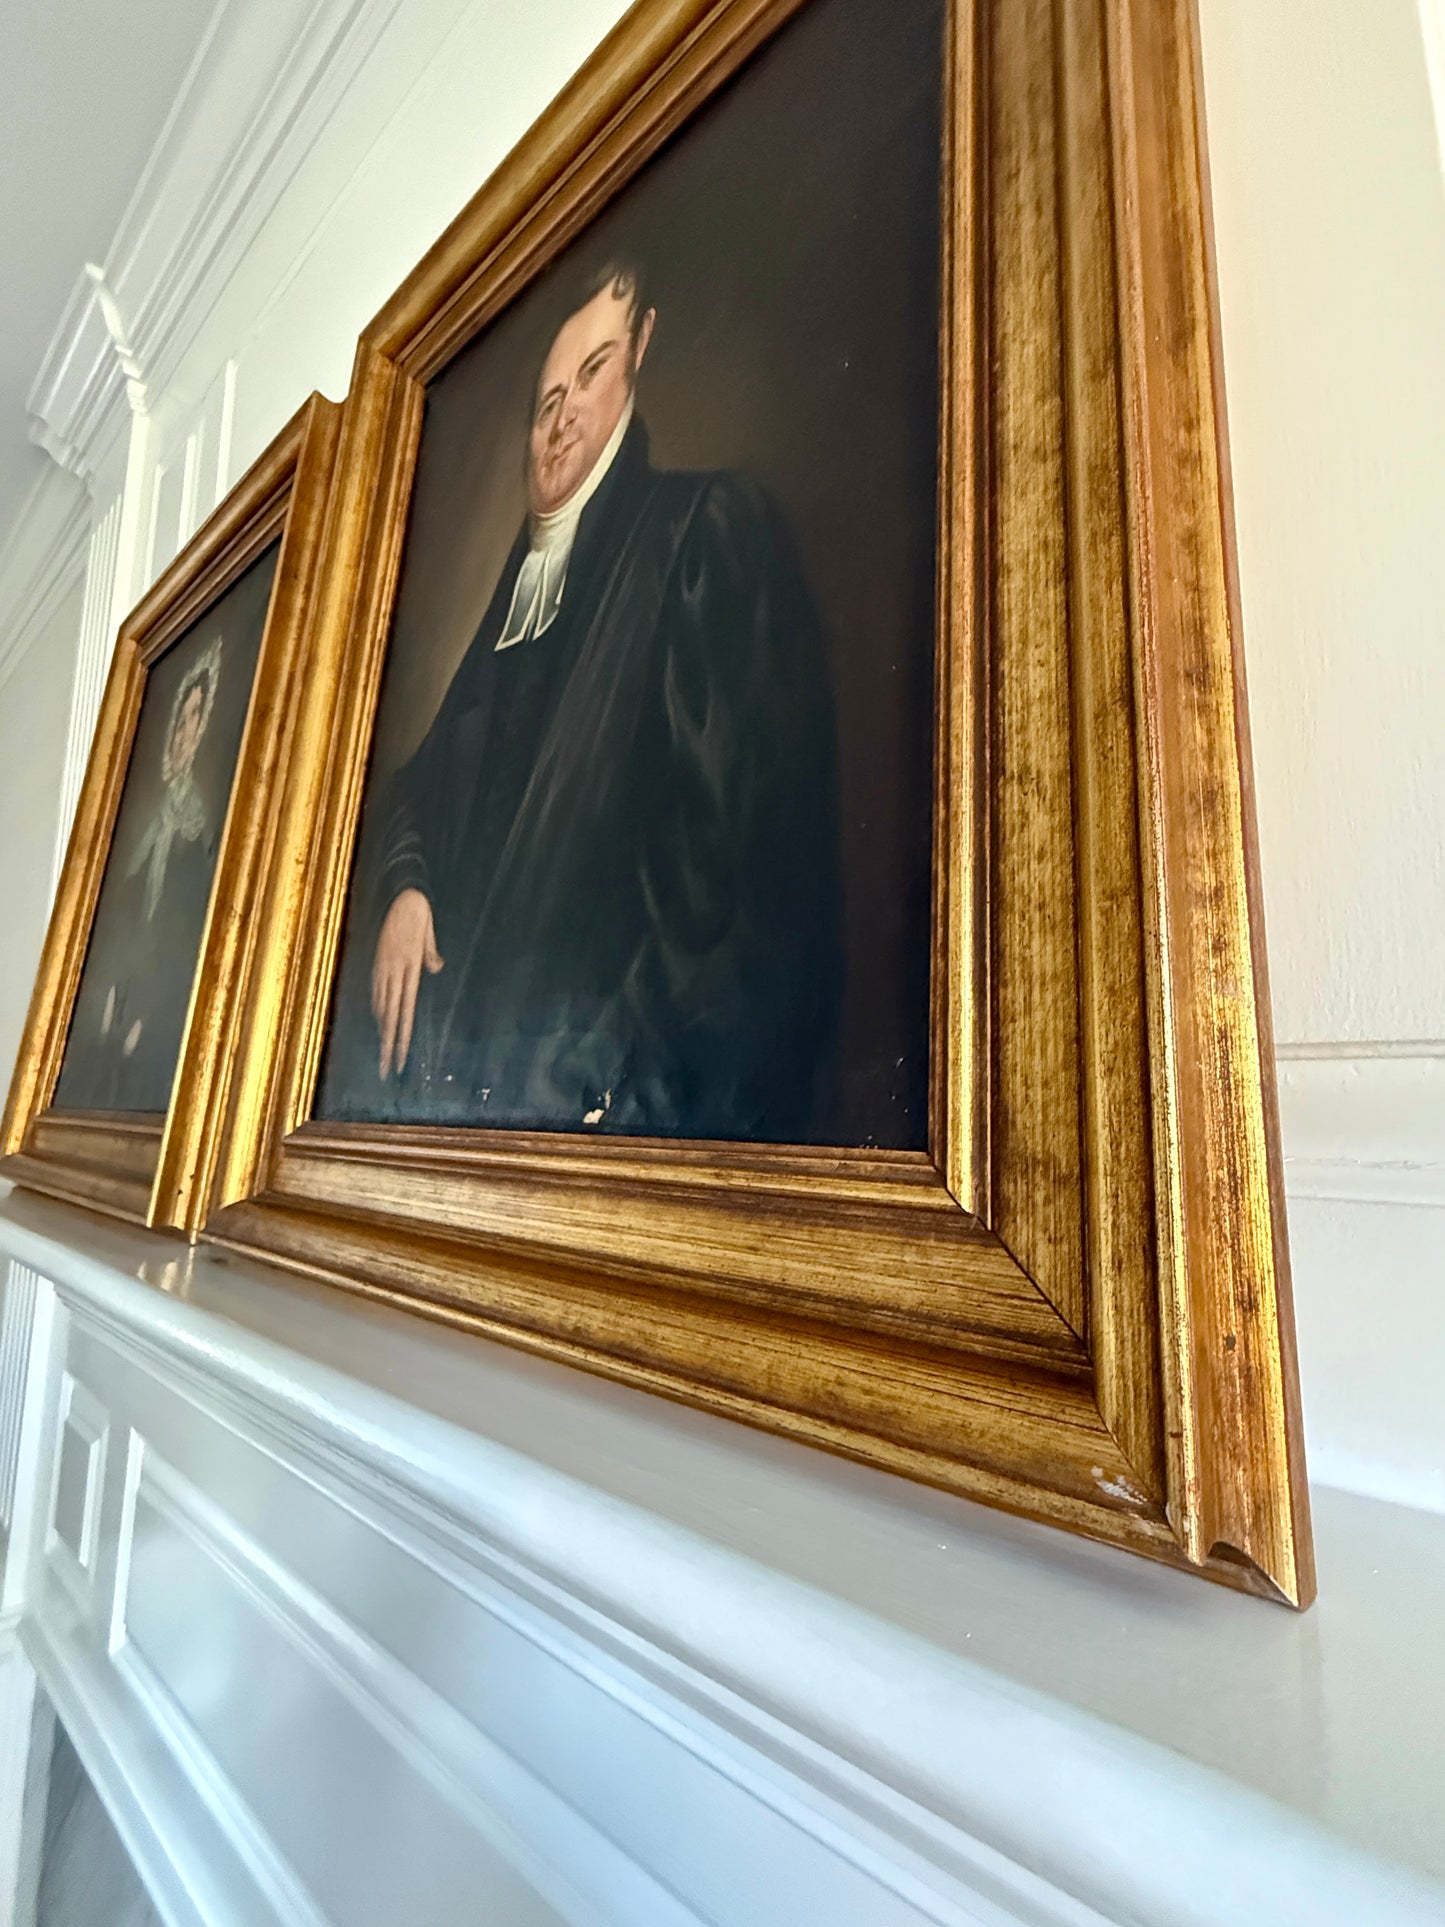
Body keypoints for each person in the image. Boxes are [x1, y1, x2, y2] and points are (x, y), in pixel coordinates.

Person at [327, 256, 841, 1140]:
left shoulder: (700, 532)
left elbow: (732, 904)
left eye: (591, 374)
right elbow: (416, 785)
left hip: (603, 1120)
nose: (561, 421)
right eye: (544, 401)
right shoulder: (517, 610)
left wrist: (597, 1095)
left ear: (640, 350)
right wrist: (408, 889)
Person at [55, 639, 222, 1112]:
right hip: (117, 1005)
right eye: (180, 719)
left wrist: (143, 1017)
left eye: (195, 718)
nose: (183, 732)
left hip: (154, 1020)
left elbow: (183, 933)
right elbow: (122, 921)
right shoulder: (148, 828)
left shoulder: (197, 826)